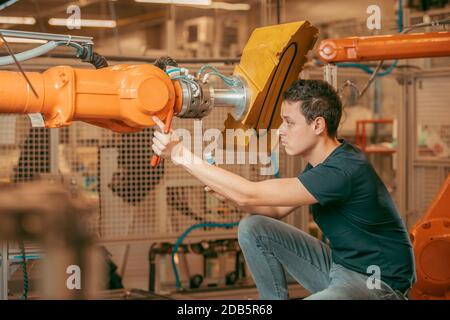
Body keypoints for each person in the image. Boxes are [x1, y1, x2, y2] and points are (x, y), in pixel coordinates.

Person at [151, 79, 416, 300]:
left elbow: (249, 194)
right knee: (253, 227)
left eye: (289, 122)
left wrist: (179, 155)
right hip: (340, 267)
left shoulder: (342, 170)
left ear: (318, 125)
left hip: (377, 284)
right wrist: (228, 195)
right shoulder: (322, 164)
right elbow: (274, 209)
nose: (281, 131)